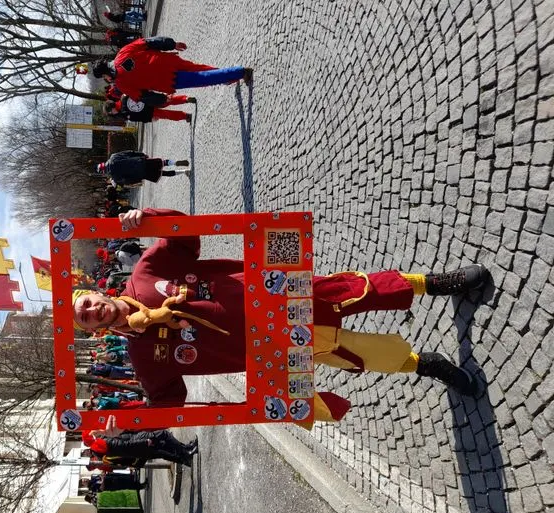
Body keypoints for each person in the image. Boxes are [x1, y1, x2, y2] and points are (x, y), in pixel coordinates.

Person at [72, 208, 491, 425]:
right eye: (86, 318)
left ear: (96, 292)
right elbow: (169, 403)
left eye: (87, 303)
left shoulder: (146, 272)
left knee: (358, 290)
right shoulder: (143, 358)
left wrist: (148, 219)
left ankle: (437, 283)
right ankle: (427, 365)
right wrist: (128, 421)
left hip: (279, 290)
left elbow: (187, 233)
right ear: (94, 331)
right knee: (358, 355)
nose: (92, 310)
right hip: (279, 347)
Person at [92, 37, 252, 100]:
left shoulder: (121, 83)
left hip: (167, 79)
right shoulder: (123, 52)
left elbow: (143, 96)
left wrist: (162, 100)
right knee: (199, 69)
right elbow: (150, 42)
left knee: (202, 78)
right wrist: (172, 44)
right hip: (167, 61)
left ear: (105, 74)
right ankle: (228, 77)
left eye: (104, 77)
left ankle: (239, 72)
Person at [83, 423, 198, 467]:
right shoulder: (103, 442)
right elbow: (126, 445)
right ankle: (185, 454)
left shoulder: (100, 446)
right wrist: (144, 442)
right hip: (139, 444)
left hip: (138, 447)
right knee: (164, 435)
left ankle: (186, 451)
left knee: (163, 446)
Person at [97, 151, 189, 186]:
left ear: (104, 172)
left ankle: (184, 171)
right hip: (140, 162)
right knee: (162, 162)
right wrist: (141, 154)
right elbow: (129, 153)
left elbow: (128, 181)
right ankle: (174, 163)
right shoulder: (113, 156)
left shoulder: (115, 177)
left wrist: (139, 180)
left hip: (142, 173)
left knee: (163, 174)